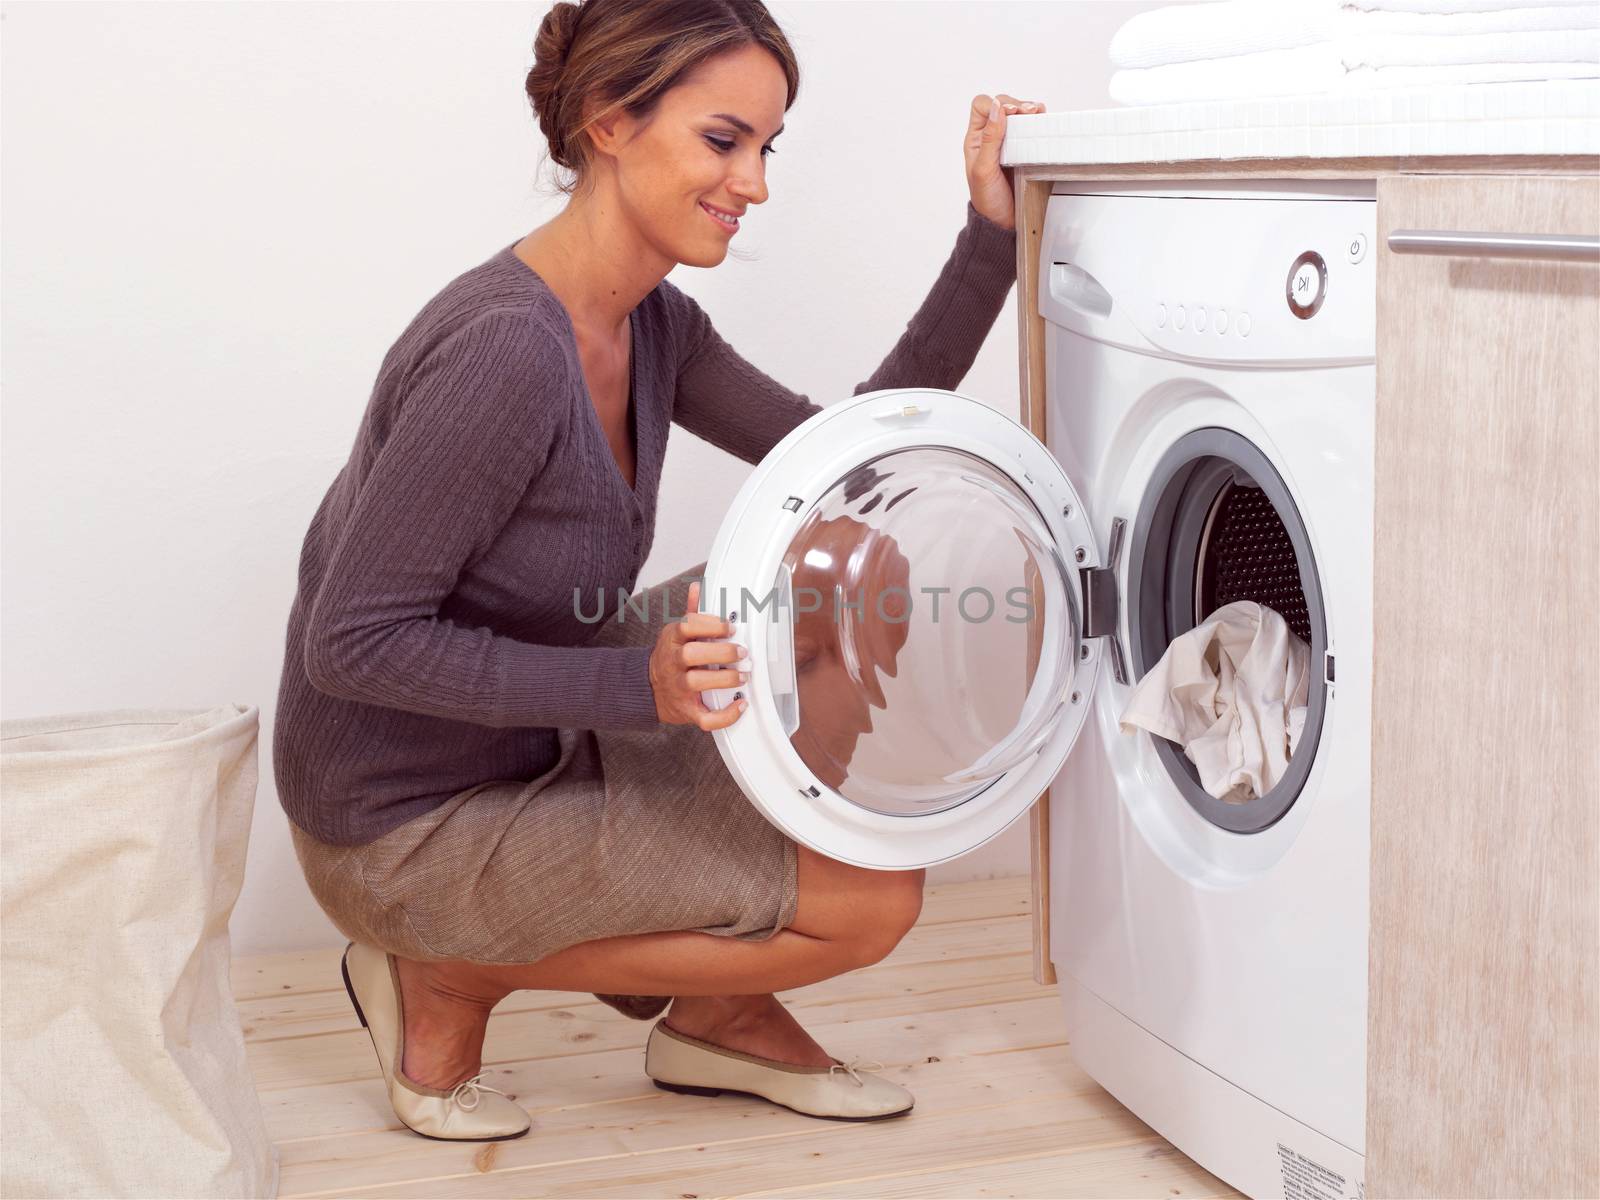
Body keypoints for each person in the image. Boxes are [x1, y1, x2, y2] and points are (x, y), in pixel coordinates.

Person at [273, 0, 1043, 1142]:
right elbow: (355, 644)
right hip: (407, 819)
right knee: (870, 905)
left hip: (535, 732)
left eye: (766, 148)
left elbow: (843, 466)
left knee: (838, 565)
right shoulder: (503, 351)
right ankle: (443, 971)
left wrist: (989, 238)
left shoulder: (651, 325)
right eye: (723, 140)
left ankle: (716, 1017)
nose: (755, 183)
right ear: (608, 122)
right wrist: (639, 692)